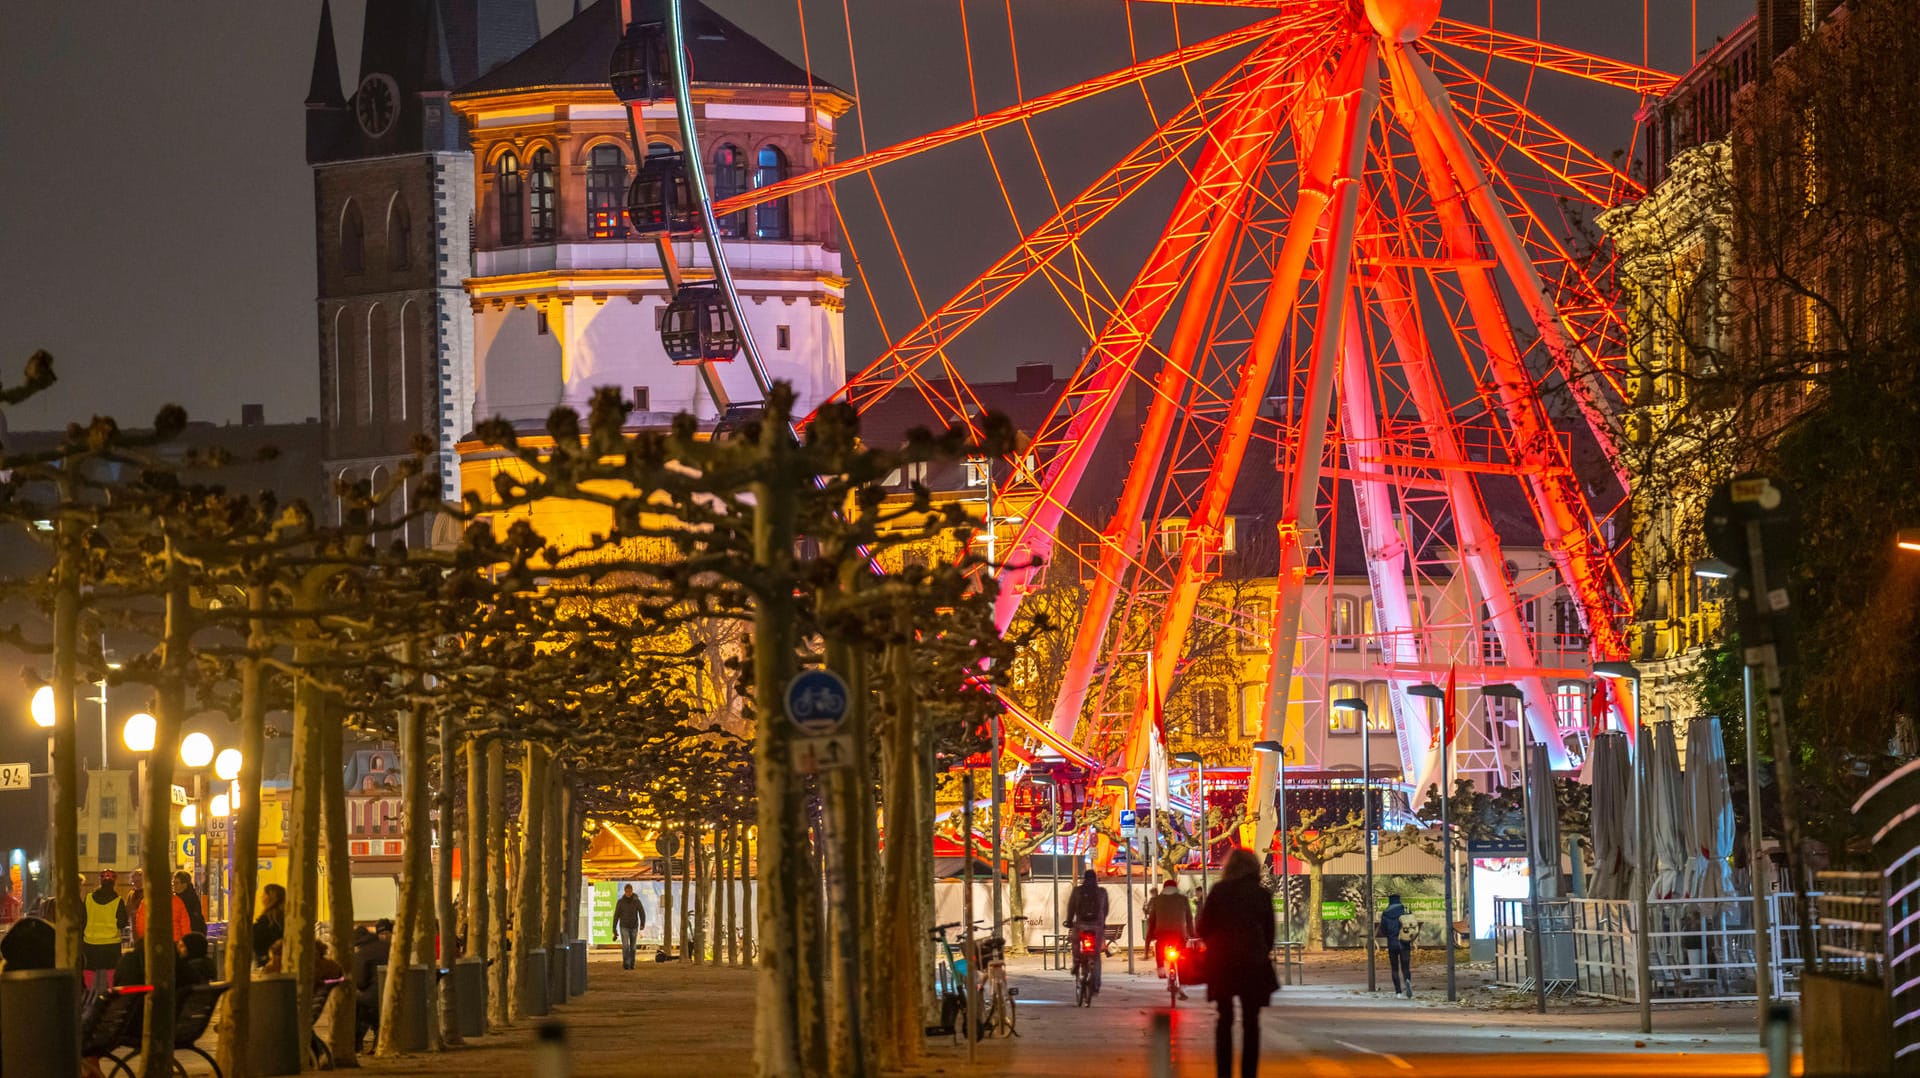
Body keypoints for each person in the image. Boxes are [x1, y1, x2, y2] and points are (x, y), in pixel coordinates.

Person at [1198, 847, 1277, 1078]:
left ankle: (1224, 1072)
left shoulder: (1219, 891)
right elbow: (1269, 933)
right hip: (1253, 964)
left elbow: (1203, 927)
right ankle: (1248, 1073)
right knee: (1251, 1021)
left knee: (1225, 1019)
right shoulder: (1261, 894)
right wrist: (1260, 950)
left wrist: (1216, 945)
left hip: (1223, 964)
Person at [1063, 869, 1110, 994]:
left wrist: (1068, 921)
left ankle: (1076, 962)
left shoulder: (1077, 891)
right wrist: (1102, 921)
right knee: (1096, 955)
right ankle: (1096, 984)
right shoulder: (1102, 892)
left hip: (1081, 925)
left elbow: (1071, 907)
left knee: (1075, 943)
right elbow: (1105, 910)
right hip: (1097, 927)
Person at [1146, 878, 1194, 994]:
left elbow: (1152, 920)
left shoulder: (1157, 900)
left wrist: (1150, 936)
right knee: (1183, 958)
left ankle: (1161, 968)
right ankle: (1182, 985)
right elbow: (1189, 918)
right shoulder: (1183, 899)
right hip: (1179, 934)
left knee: (1159, 946)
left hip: (1162, 933)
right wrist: (1191, 933)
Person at [83, 870, 129, 992]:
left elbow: (82, 919)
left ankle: (89, 993)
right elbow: (122, 923)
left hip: (90, 942)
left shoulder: (88, 899)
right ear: (114, 882)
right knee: (111, 970)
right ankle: (110, 994)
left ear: (100, 881)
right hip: (111, 944)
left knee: (89, 969)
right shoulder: (118, 901)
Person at [354, 919, 394, 1050]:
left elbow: (360, 982)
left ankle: (356, 1042)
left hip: (373, 998)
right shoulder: (389, 947)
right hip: (392, 995)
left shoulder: (362, 953)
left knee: (357, 1003)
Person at [133, 871, 191, 944]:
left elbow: (141, 923)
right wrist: (185, 942)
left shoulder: (146, 901)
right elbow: (185, 924)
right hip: (174, 941)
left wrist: (145, 938)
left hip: (154, 941)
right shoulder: (177, 901)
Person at [1380, 892, 1415, 998]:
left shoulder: (1385, 913)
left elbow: (1383, 930)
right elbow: (1412, 925)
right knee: (1406, 967)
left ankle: (1398, 992)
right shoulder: (1406, 911)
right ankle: (1407, 980)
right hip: (1405, 943)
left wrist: (1390, 935)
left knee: (1394, 968)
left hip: (1392, 944)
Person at [253, 883, 286, 966]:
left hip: (268, 962)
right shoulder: (285, 917)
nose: (261, 897)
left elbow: (257, 940)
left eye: (264, 894)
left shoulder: (268, 919)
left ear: (270, 897)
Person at [614, 884, 646, 970]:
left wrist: (642, 923)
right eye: (627, 891)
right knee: (625, 946)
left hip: (634, 926)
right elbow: (616, 915)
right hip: (624, 926)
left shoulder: (636, 901)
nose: (628, 893)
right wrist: (614, 929)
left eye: (629, 891)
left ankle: (632, 963)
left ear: (632, 891)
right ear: (625, 891)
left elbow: (642, 912)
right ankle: (626, 963)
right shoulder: (620, 902)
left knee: (633, 947)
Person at [173, 871, 207, 938]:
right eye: (173, 883)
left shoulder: (188, 899)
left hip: (189, 935)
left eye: (176, 883)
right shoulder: (181, 897)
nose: (174, 885)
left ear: (184, 885)